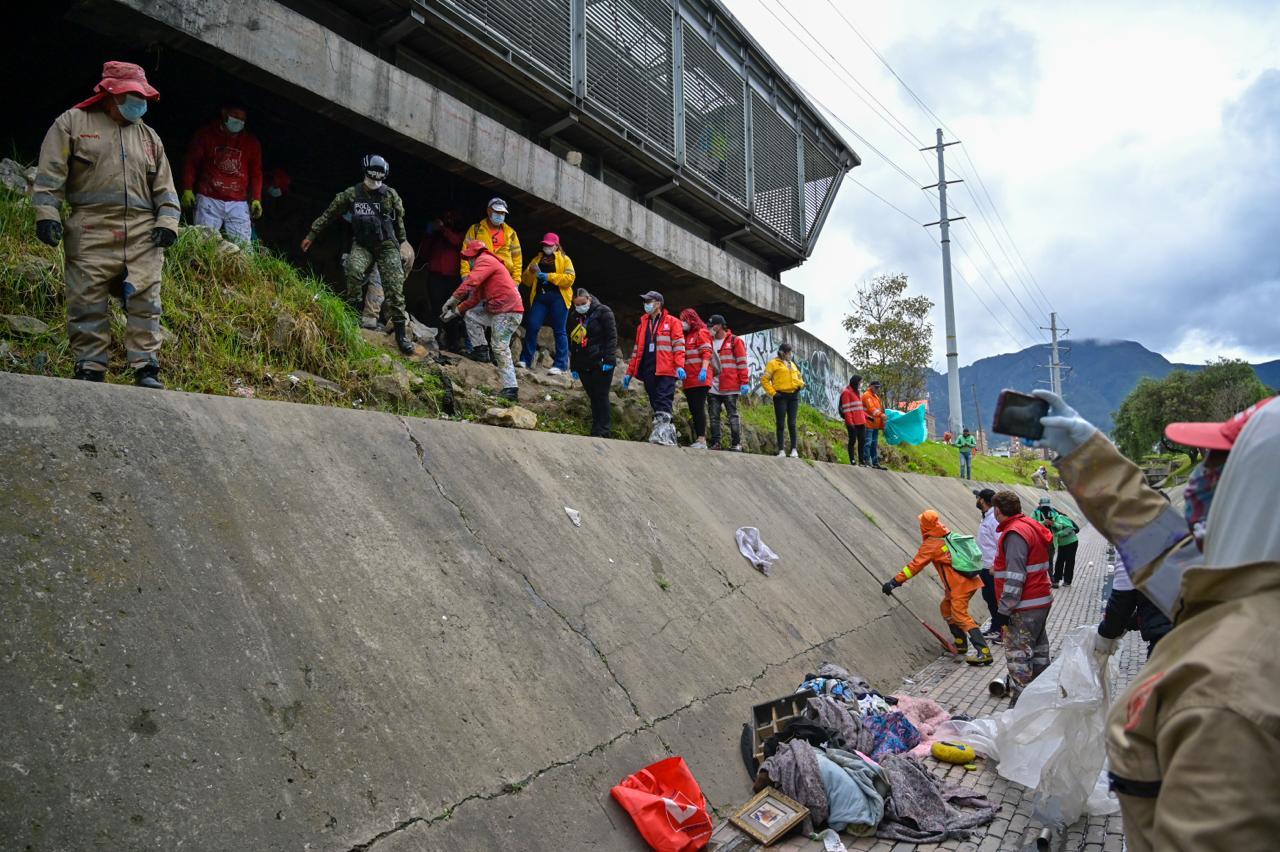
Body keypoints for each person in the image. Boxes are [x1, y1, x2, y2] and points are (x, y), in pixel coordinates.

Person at [1032, 389, 1279, 852]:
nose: (1200, 478)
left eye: (1217, 462)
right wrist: (1084, 451)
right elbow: (1155, 540)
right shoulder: (1246, 591)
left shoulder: (1226, 696)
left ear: (1259, 490)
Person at [34, 61, 180, 389]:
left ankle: (146, 367)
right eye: (131, 96)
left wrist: (168, 222)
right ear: (110, 94)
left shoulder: (149, 136)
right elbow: (50, 175)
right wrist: (47, 216)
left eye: (141, 97)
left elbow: (165, 187)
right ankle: (90, 366)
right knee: (87, 299)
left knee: (145, 299)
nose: (138, 103)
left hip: (143, 231)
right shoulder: (72, 123)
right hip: (90, 226)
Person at [302, 155, 415, 354]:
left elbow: (399, 223)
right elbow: (330, 212)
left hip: (387, 245)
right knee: (353, 270)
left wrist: (401, 246)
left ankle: (400, 335)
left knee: (394, 288)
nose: (375, 184)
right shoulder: (352, 194)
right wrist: (312, 234)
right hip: (363, 244)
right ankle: (353, 316)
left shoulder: (390, 195)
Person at [882, 510, 993, 666]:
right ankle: (960, 644)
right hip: (968, 581)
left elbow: (914, 566)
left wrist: (894, 582)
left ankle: (984, 652)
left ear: (926, 525)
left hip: (959, 585)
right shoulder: (945, 534)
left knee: (960, 616)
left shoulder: (932, 544)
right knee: (946, 609)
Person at [991, 490, 1055, 705]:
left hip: (1023, 605)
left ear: (997, 510)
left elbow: (1015, 577)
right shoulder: (1031, 526)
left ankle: (1022, 708)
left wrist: (1003, 610)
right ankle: (1042, 700)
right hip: (1039, 600)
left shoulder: (1014, 533)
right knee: (1038, 652)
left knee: (1019, 656)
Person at [440, 240, 524, 400]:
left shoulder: (485, 260)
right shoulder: (488, 269)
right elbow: (474, 299)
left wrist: (453, 299)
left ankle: (511, 388)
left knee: (499, 347)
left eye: (469, 258)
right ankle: (481, 351)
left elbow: (471, 282)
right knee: (471, 316)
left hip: (508, 311)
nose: (469, 262)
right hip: (501, 309)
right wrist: (455, 312)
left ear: (475, 254)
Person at [181, 103, 263, 245]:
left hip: (238, 202)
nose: (239, 122)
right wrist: (187, 189)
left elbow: (256, 173)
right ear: (225, 113)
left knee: (243, 247)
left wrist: (256, 198)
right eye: (236, 117)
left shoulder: (251, 143)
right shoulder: (206, 135)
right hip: (208, 198)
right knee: (203, 243)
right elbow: (191, 162)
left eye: (243, 119)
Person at [623, 291, 686, 446]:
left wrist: (679, 366)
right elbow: (637, 350)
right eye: (645, 302)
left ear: (658, 303)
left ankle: (662, 435)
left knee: (664, 400)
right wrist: (629, 372)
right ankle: (667, 433)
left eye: (649, 301)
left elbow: (678, 345)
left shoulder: (672, 322)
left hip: (667, 369)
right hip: (648, 368)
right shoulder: (642, 325)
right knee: (655, 401)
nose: (646, 304)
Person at [1095, 551, 1171, 660]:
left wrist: (1105, 634)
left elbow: (1122, 601)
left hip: (1168, 643)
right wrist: (1129, 623)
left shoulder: (1130, 541)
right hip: (1200, 631)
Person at [518, 233, 576, 374]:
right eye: (545, 244)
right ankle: (525, 359)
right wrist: (531, 272)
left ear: (556, 246)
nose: (547, 247)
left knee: (559, 329)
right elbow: (526, 281)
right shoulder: (537, 259)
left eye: (550, 245)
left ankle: (561, 364)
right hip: (540, 297)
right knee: (532, 325)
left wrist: (549, 277)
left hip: (558, 297)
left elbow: (570, 278)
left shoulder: (565, 259)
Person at [567, 288, 617, 438]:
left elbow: (611, 336)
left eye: (583, 303)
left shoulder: (603, 312)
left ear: (589, 299)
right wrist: (574, 365)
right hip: (583, 363)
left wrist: (609, 358)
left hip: (601, 361)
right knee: (593, 397)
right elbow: (574, 343)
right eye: (577, 305)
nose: (580, 307)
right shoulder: (574, 316)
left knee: (601, 395)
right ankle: (596, 428)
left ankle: (604, 429)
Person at [418, 210, 465, 352]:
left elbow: (458, 243)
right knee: (436, 309)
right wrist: (429, 233)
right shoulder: (436, 236)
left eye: (450, 218)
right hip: (435, 275)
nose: (447, 221)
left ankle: (453, 343)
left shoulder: (461, 233)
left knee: (452, 310)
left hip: (453, 277)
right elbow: (424, 252)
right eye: (445, 218)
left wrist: (444, 229)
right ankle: (435, 340)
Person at [706, 314, 749, 451]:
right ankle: (715, 443)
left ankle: (736, 444)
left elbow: (742, 362)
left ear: (718, 326)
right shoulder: (709, 341)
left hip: (730, 386)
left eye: (711, 326)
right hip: (713, 386)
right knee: (713, 416)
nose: (709, 329)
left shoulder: (735, 341)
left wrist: (744, 382)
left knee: (732, 416)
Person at [679, 308, 715, 448]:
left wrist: (704, 369)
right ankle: (699, 439)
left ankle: (701, 439)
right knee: (693, 408)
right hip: (689, 379)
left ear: (691, 319)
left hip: (700, 378)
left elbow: (707, 352)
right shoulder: (688, 336)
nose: (683, 323)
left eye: (684, 320)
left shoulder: (702, 332)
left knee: (698, 408)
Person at [461, 197, 521, 281]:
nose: (500, 215)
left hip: (503, 278)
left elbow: (517, 259)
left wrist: (516, 280)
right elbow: (465, 253)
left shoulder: (511, 233)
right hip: (480, 277)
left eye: (503, 213)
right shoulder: (475, 229)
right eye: (497, 212)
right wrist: (465, 274)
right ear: (488, 211)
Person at [761, 343, 805, 458]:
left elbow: (799, 378)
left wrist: (801, 385)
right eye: (789, 353)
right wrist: (774, 393)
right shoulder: (773, 364)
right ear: (782, 352)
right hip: (781, 397)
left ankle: (794, 449)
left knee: (792, 423)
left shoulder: (792, 365)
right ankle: (781, 450)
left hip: (793, 396)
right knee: (780, 423)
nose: (790, 355)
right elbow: (765, 380)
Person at [973, 488, 1004, 643]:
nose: (976, 500)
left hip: (992, 569)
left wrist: (996, 566)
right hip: (985, 566)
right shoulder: (986, 517)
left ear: (982, 500)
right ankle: (995, 626)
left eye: (977, 497)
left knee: (995, 599)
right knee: (989, 598)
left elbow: (1001, 543)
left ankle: (1000, 629)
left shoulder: (993, 519)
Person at [839, 375, 867, 465]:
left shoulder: (857, 393)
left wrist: (867, 417)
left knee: (862, 441)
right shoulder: (846, 392)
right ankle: (852, 460)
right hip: (852, 422)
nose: (860, 384)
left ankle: (861, 461)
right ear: (856, 382)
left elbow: (859, 408)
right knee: (852, 441)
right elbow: (847, 410)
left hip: (861, 422)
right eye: (860, 382)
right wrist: (850, 423)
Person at [1032, 496, 1059, 580]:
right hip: (1040, 541)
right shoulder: (1035, 513)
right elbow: (1032, 524)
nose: (1045, 508)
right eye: (1043, 506)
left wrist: (1053, 524)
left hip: (1051, 541)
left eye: (1046, 506)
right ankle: (1041, 578)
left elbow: (1060, 526)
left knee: (1050, 560)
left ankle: (1050, 577)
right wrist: (1043, 522)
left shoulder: (1054, 513)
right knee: (1040, 560)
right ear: (1039, 504)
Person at [862, 380, 886, 469]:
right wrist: (881, 415)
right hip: (868, 424)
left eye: (878, 387)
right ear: (870, 386)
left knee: (874, 444)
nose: (877, 389)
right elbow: (872, 409)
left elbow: (879, 410)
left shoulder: (876, 397)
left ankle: (875, 463)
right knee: (868, 443)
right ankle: (866, 461)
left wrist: (882, 425)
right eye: (876, 387)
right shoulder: (867, 396)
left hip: (875, 425)